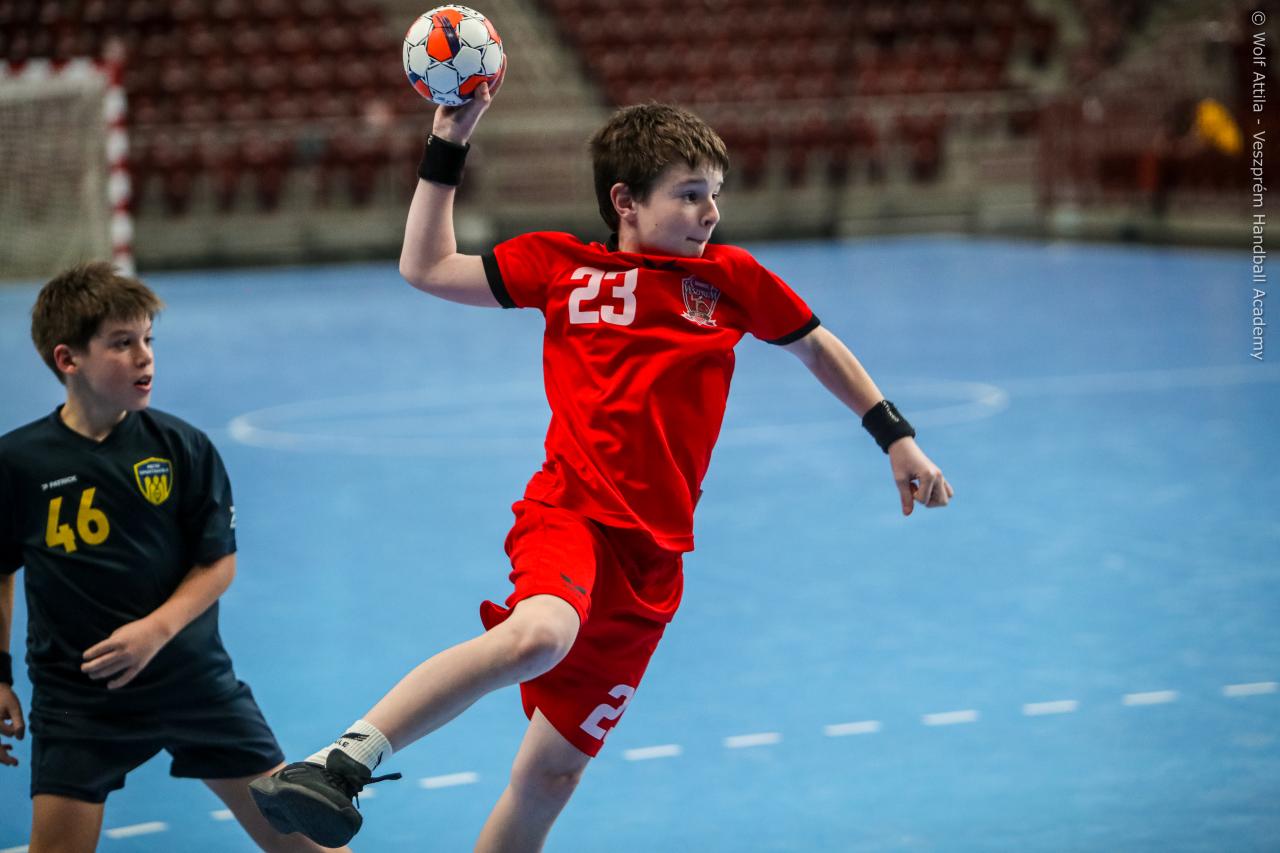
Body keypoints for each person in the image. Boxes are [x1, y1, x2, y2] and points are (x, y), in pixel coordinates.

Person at [250, 68, 953, 852]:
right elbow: (427, 266)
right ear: (626, 202)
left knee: (550, 776)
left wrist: (895, 434)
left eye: (715, 194)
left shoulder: (729, 279)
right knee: (538, 635)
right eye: (689, 194)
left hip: (653, 565)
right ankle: (340, 761)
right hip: (570, 516)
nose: (710, 212)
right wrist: (449, 141)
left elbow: (816, 345)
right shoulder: (561, 267)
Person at [0, 263, 351, 853]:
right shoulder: (19, 463)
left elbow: (218, 563)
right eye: (122, 343)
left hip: (193, 683)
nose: (145, 357)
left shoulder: (182, 447)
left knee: (300, 839)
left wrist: (155, 631)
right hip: (79, 700)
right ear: (68, 359)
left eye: (147, 339)